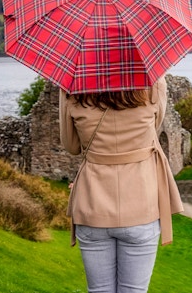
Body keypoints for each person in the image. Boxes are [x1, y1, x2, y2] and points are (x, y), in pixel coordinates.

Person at [59, 75, 183, 293]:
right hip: (141, 205)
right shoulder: (154, 81)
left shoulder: (71, 85)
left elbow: (71, 146)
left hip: (92, 206)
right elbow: (153, 129)